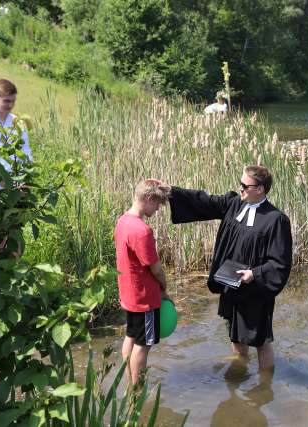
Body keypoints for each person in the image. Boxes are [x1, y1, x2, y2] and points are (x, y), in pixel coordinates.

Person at [165, 165, 293, 371]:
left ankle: (264, 387)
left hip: (255, 290)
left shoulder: (276, 220)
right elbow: (205, 201)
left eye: (244, 185)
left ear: (260, 189)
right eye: (240, 184)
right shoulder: (234, 204)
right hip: (230, 283)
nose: (240, 188)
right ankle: (240, 370)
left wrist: (255, 274)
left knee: (260, 340)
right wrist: (172, 191)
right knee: (234, 331)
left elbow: (280, 263)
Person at [115, 179, 171, 385]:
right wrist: (164, 287)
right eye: (157, 204)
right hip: (145, 298)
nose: (158, 209)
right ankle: (137, 391)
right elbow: (155, 268)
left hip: (128, 294)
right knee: (144, 344)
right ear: (148, 199)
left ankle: (129, 383)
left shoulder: (122, 221)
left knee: (130, 336)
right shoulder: (142, 231)